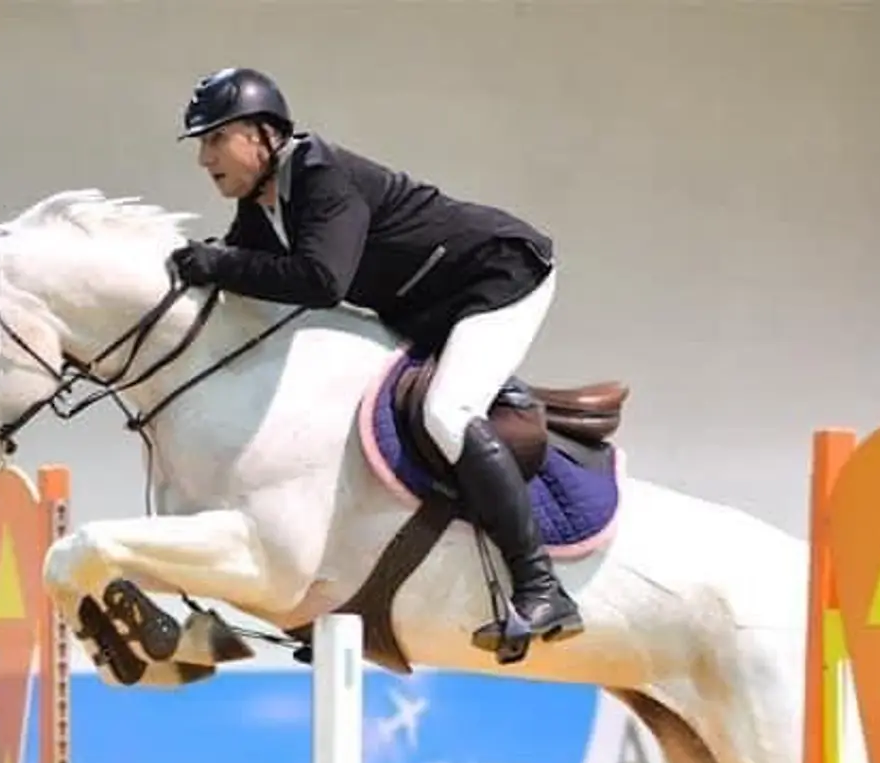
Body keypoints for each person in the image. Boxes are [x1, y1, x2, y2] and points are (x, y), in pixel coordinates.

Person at [168, 66, 582, 660]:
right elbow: (239, 274)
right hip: (427, 307)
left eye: (215, 139)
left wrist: (214, 264)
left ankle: (543, 588)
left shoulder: (319, 175)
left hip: (499, 276)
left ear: (261, 134)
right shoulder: (264, 205)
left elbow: (319, 279)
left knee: (446, 411)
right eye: (201, 144)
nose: (205, 159)